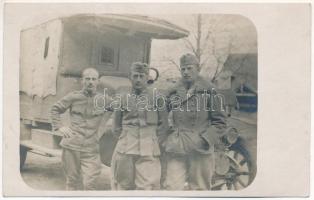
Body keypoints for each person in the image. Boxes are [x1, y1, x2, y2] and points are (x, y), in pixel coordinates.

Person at [162, 53, 227, 190]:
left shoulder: (210, 91)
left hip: (200, 148)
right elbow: (161, 116)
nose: (186, 72)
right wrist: (167, 136)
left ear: (198, 69)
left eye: (189, 68)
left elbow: (220, 122)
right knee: (172, 187)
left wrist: (205, 139)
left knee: (200, 189)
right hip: (178, 146)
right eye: (183, 69)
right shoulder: (173, 92)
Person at [50, 68, 111, 190]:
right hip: (72, 146)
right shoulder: (73, 97)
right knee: (72, 181)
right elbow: (55, 109)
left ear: (98, 81)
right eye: (87, 79)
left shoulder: (104, 99)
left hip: (91, 148)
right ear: (82, 81)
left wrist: (109, 123)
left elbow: (120, 109)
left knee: (90, 183)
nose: (90, 82)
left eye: (93, 79)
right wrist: (60, 126)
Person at [110, 62, 168, 190]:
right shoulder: (123, 97)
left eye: (141, 76)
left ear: (147, 77)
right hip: (126, 146)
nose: (138, 80)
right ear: (130, 77)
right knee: (123, 184)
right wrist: (124, 138)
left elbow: (164, 125)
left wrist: (155, 141)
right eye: (135, 76)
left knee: (146, 185)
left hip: (149, 146)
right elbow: (116, 126)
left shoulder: (157, 97)